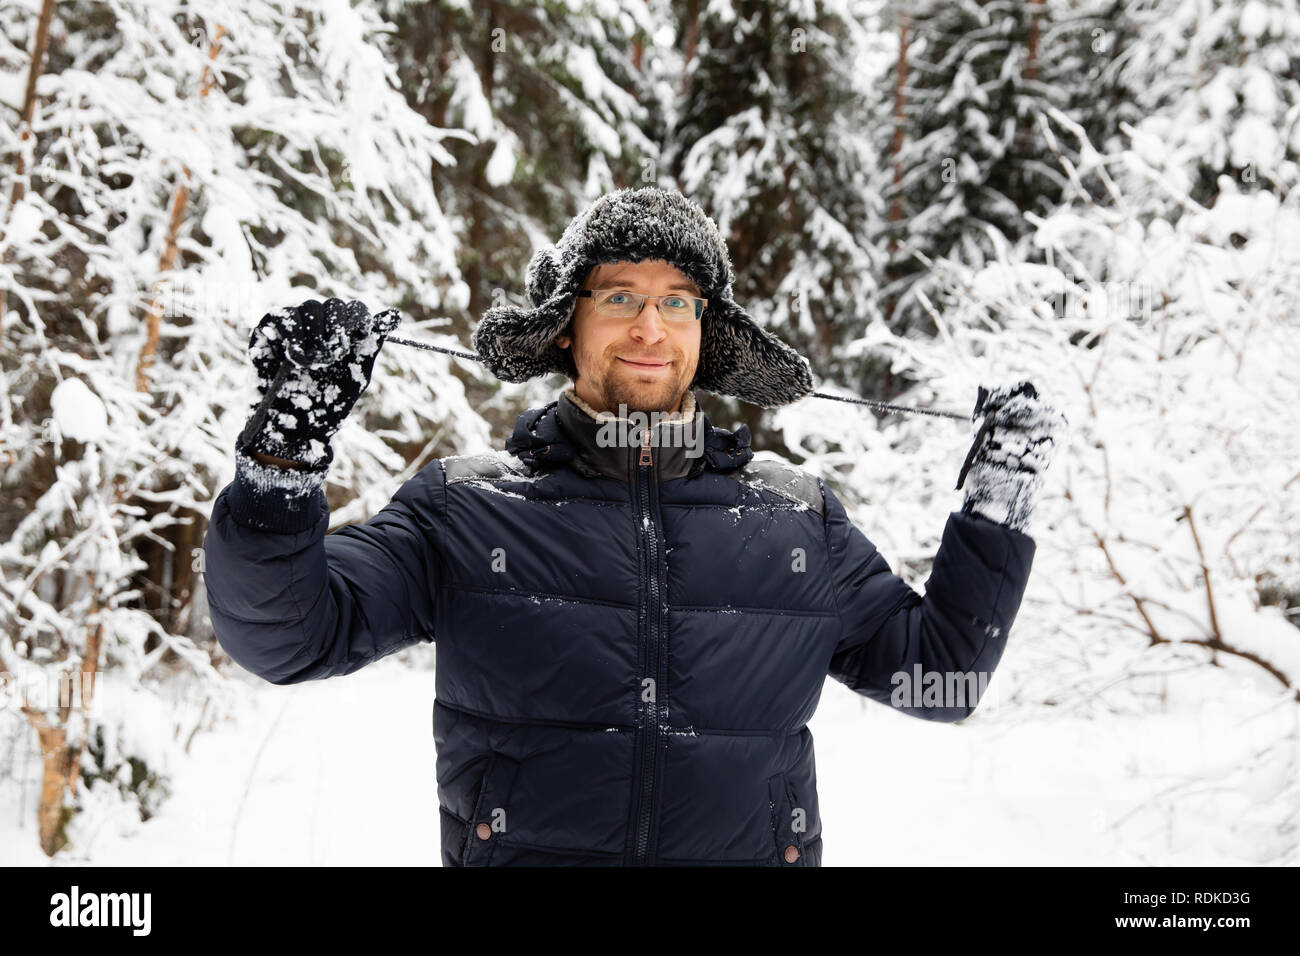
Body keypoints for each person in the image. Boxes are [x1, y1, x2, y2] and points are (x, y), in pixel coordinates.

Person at [202, 186, 1068, 866]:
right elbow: (288, 637)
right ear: (565, 327)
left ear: (706, 332)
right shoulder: (464, 509)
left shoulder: (796, 521)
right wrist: (285, 451)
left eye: (678, 301)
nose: (650, 326)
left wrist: (1004, 487)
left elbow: (942, 678)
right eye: (619, 295)